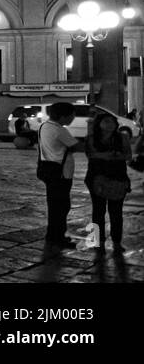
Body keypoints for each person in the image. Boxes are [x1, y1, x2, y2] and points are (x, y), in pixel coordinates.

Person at [38, 102, 82, 249]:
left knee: (54, 205)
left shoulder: (44, 126)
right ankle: (57, 237)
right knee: (61, 206)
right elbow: (76, 146)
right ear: (63, 116)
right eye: (72, 115)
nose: (73, 118)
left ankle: (52, 235)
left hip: (48, 170)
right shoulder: (59, 130)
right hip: (61, 173)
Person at [83, 113, 130, 252]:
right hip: (96, 177)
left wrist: (108, 156)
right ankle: (98, 241)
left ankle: (117, 242)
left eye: (113, 122)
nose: (110, 124)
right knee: (98, 210)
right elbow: (90, 155)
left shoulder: (122, 137)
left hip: (118, 177)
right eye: (106, 121)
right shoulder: (91, 138)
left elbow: (128, 155)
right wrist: (109, 155)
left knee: (116, 212)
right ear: (99, 123)